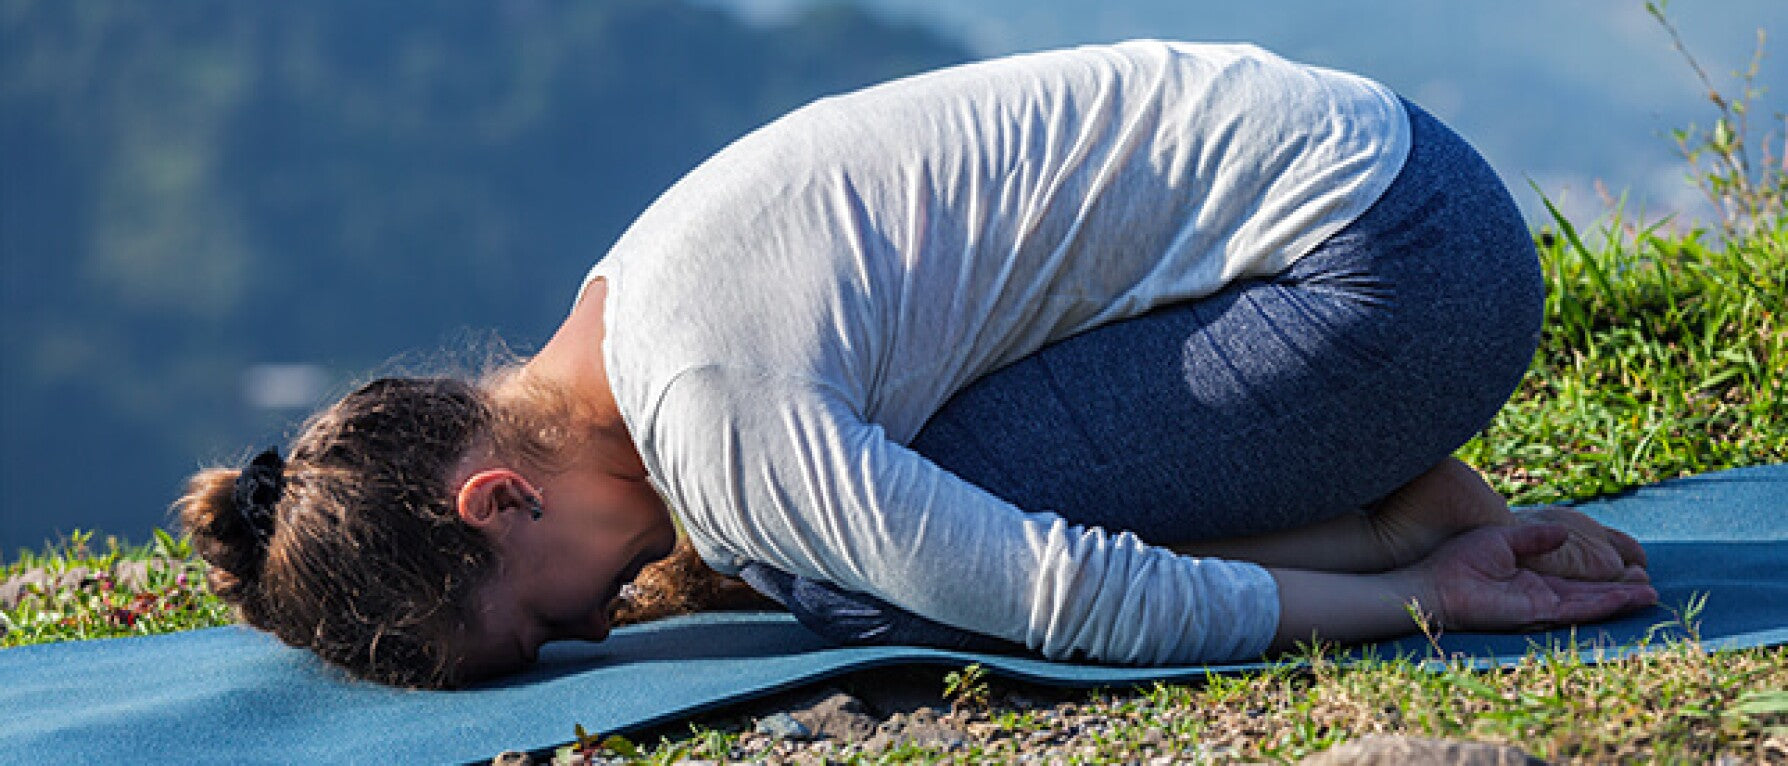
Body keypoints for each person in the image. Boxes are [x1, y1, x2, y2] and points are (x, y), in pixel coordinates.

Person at [176, 40, 1656, 689]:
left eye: (536, 629)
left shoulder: (712, 412)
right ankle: (1383, 488)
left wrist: (1418, 601)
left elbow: (1079, 597)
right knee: (833, 544)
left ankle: (1400, 517)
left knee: (864, 570)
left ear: (497, 499)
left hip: (1389, 275)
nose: (587, 635)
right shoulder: (630, 305)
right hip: (1395, 192)